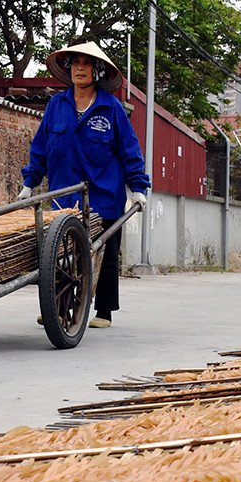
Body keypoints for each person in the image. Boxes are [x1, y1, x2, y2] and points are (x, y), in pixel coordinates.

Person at [19, 42, 151, 329]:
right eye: (75, 63)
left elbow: (130, 150)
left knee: (104, 254)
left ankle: (103, 311)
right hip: (64, 198)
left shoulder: (111, 108)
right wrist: (30, 183)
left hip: (103, 198)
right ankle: (60, 308)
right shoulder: (57, 106)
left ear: (97, 70)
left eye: (86, 63)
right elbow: (41, 148)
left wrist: (138, 188)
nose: (80, 67)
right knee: (60, 255)